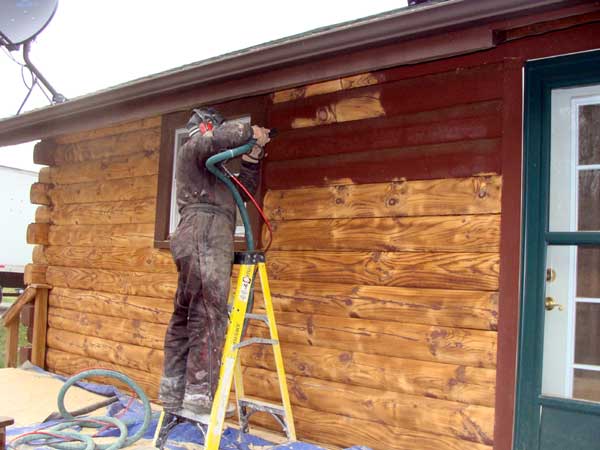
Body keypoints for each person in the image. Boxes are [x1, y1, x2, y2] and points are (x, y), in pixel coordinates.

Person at [158, 107, 270, 423]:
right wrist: (253, 132)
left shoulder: (213, 174)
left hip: (199, 235)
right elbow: (228, 136)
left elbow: (244, 189)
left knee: (186, 313)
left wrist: (255, 153)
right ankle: (198, 399)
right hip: (203, 233)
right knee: (208, 314)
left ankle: (173, 390)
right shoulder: (193, 149)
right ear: (206, 128)